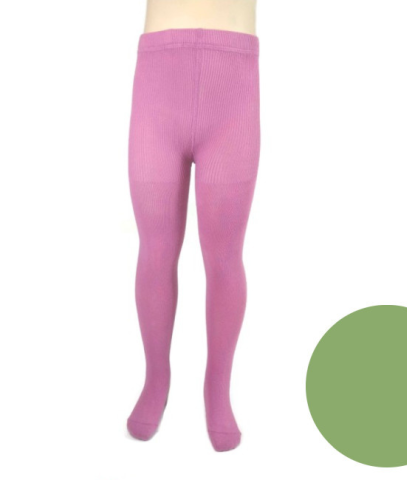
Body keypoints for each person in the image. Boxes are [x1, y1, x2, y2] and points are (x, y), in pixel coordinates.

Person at [126, 0, 260, 452]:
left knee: (224, 257)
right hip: (158, 84)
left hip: (233, 88)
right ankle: (156, 379)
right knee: (155, 250)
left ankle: (217, 388)